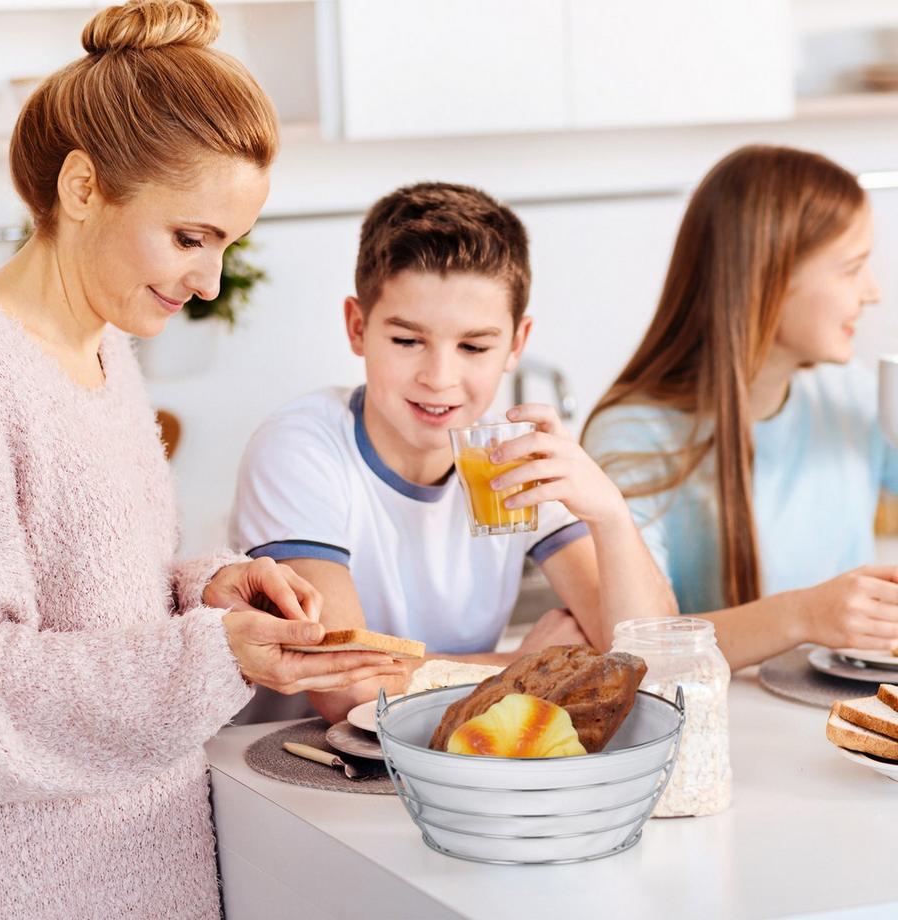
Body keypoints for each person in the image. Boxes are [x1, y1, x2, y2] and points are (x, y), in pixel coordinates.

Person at [0, 1, 404, 917]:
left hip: (148, 863)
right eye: (189, 238)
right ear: (83, 187)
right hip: (33, 885)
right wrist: (213, 657)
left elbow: (92, 598)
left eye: (225, 246)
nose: (209, 282)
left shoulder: (103, 351)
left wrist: (208, 591)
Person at [230, 181, 676, 724]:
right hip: (303, 767)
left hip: (460, 753)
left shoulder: (509, 460)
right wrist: (523, 666)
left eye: (473, 346)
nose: (440, 378)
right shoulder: (302, 449)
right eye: (407, 341)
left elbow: (653, 659)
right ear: (357, 327)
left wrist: (609, 513)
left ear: (516, 344)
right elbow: (344, 687)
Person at [582, 144, 898, 670]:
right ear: (769, 279)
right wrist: (803, 615)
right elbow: (636, 646)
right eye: (852, 268)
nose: (872, 293)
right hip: (724, 728)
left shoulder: (851, 394)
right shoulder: (634, 435)